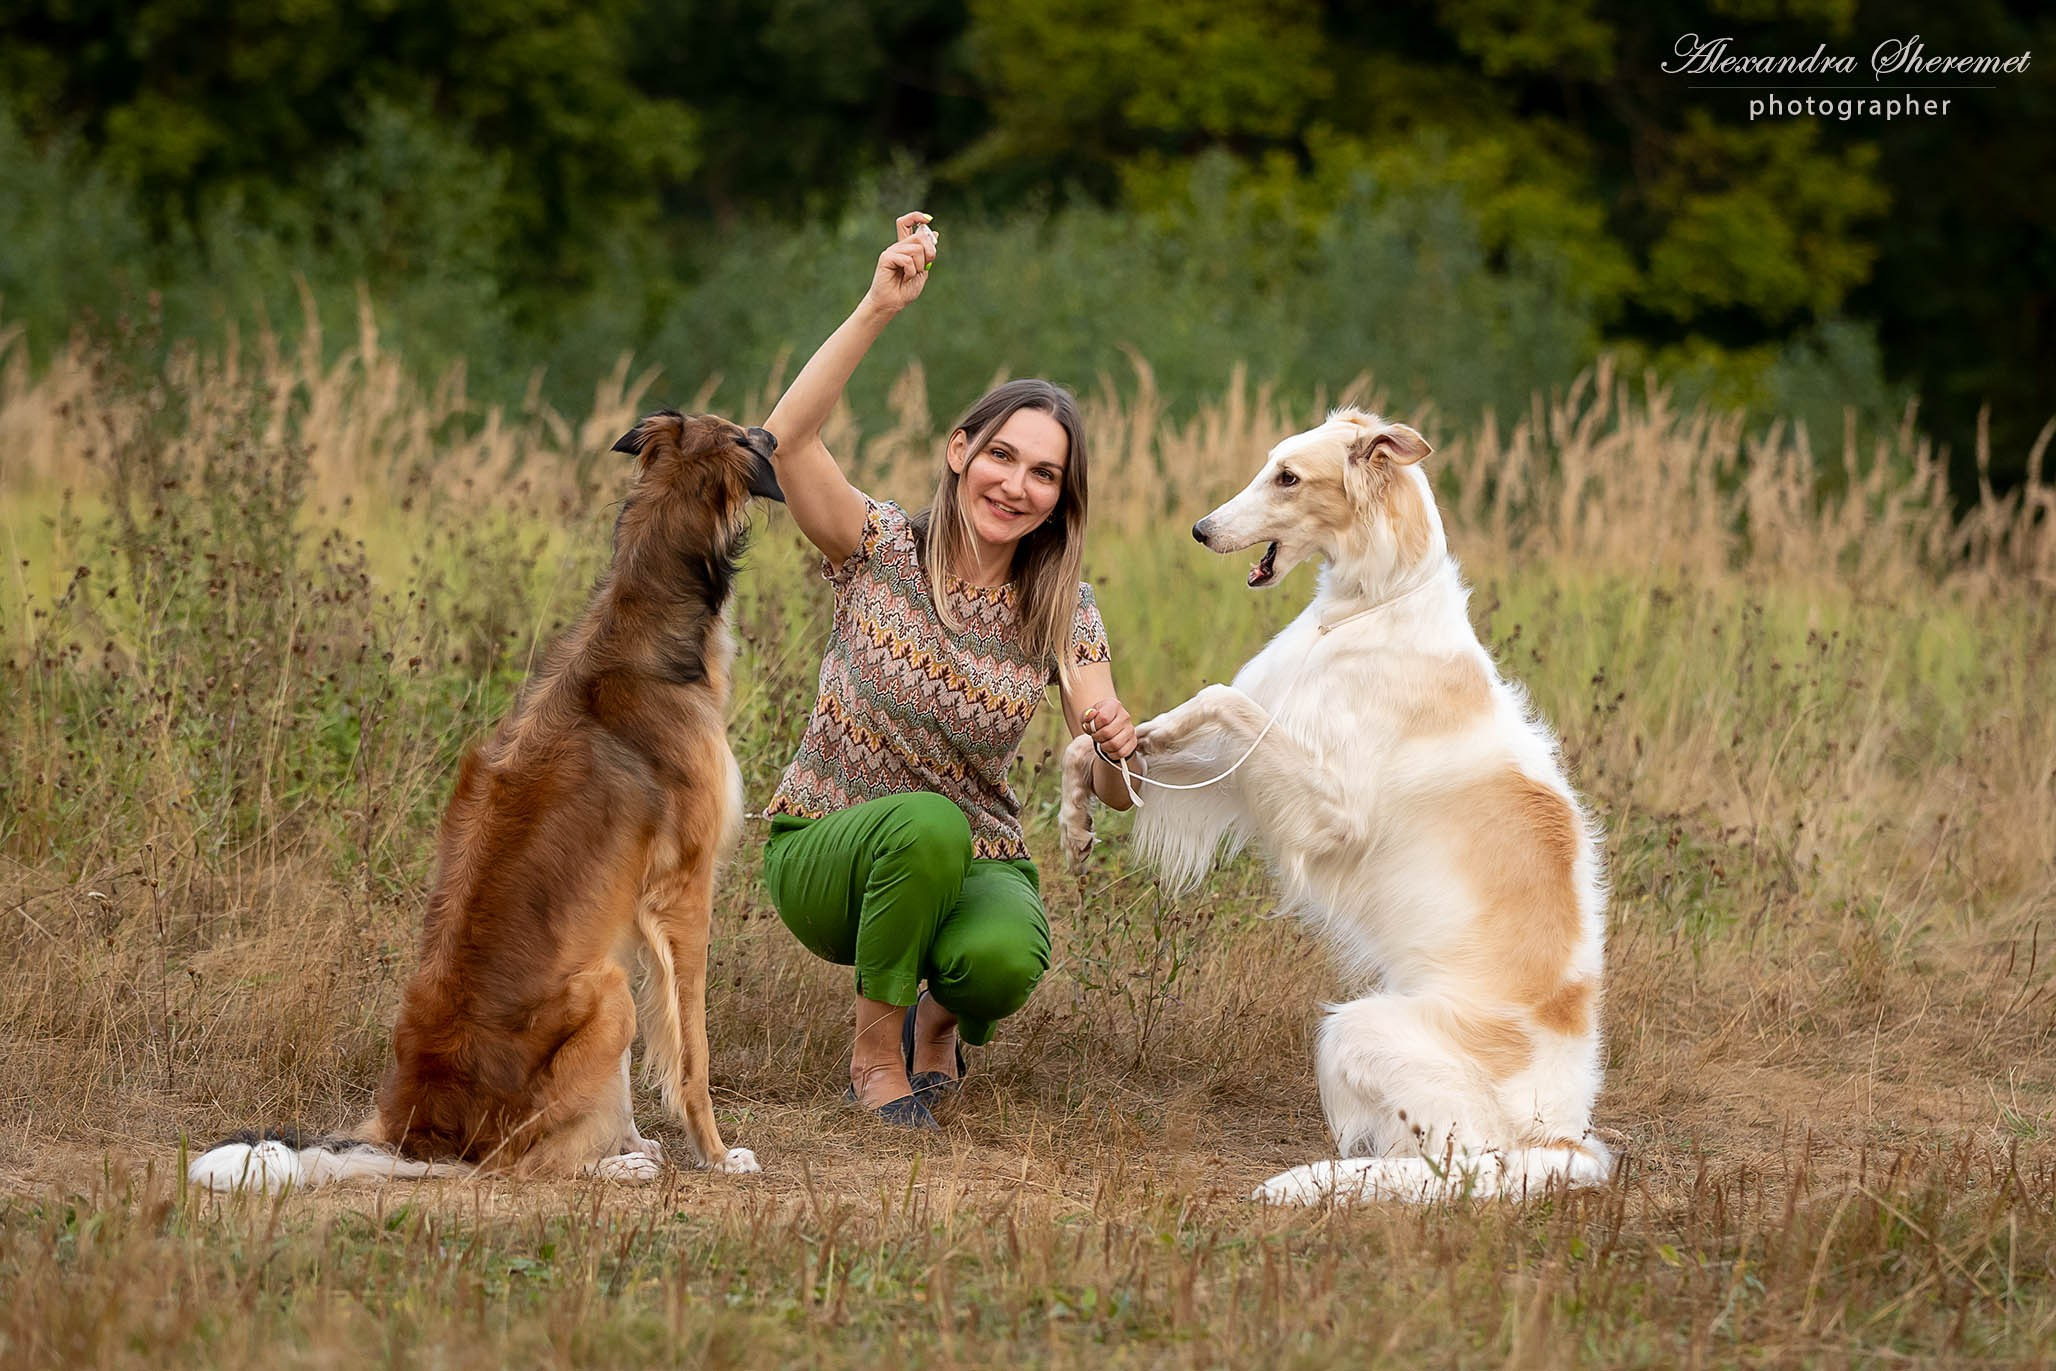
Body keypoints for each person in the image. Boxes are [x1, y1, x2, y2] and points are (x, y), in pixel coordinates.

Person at [759, 211, 1143, 1129]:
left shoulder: (1063, 607)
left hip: (978, 855)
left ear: (1060, 501)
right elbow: (784, 442)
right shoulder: (880, 547)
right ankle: (872, 1049)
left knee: (1005, 956)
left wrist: (1115, 743)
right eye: (1002, 455)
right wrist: (878, 307)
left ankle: (937, 1025)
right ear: (959, 451)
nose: (1016, 485)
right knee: (925, 825)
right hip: (829, 850)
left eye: (1044, 475)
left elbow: (1117, 788)